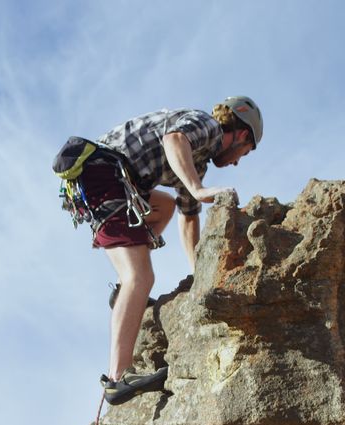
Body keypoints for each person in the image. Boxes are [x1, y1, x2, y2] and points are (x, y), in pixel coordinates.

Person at [64, 96, 263, 405]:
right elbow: (173, 139)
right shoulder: (207, 126)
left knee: (166, 206)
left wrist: (200, 271)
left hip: (108, 179)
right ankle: (118, 377)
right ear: (241, 134)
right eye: (245, 152)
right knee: (140, 278)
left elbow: (188, 216)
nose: (237, 161)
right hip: (104, 175)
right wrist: (198, 189)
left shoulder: (195, 162)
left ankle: (124, 292)